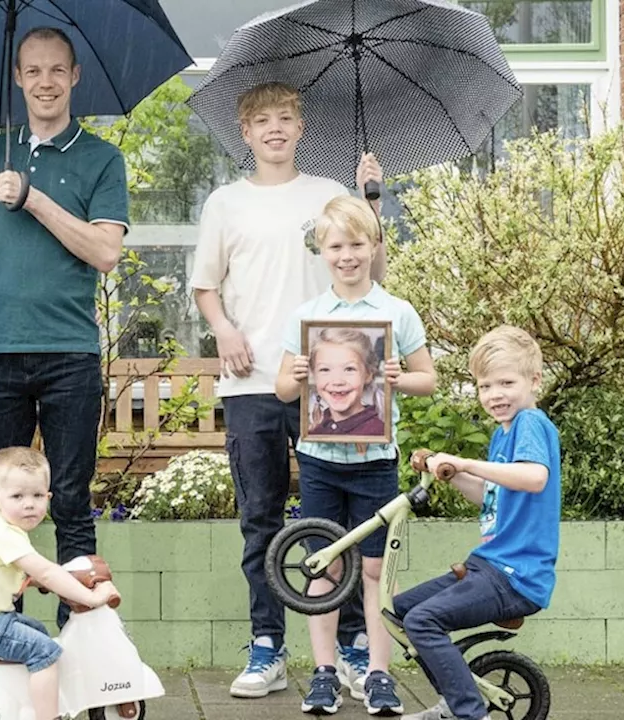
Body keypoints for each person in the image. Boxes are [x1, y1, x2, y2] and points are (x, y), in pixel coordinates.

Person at [190, 80, 385, 701]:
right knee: (260, 519)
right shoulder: (225, 202)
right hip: (251, 380)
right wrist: (222, 331)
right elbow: (205, 286)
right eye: (261, 121)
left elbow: (371, 268)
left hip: (330, 385)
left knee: (341, 522)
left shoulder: (329, 194)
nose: (275, 128)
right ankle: (267, 645)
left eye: (285, 118)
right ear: (245, 134)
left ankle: (351, 648)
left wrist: (371, 203)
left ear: (301, 127)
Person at [0, 26, 128, 630]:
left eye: (56, 70)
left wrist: (33, 198)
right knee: (3, 509)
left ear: (75, 76)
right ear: (17, 78)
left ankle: (78, 631)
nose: (45, 82)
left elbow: (105, 252)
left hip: (70, 354)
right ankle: (1, 630)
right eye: (33, 71)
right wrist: (5, 305)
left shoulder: (102, 158)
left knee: (70, 503)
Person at [275, 194, 437, 715]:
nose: (347, 255)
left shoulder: (397, 312)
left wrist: (399, 379)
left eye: (357, 244)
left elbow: (427, 380)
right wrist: (296, 377)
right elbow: (281, 390)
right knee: (322, 568)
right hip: (320, 461)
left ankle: (378, 674)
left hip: (376, 464)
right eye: (336, 245)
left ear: (375, 246)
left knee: (373, 573)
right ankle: (323, 673)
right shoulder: (307, 316)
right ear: (321, 251)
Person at [396, 326, 560, 720]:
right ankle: (455, 702)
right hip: (490, 564)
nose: (495, 395)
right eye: (485, 386)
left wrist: (467, 462)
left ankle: (469, 713)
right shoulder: (502, 436)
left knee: (424, 619)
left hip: (515, 574)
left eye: (506, 382)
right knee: (402, 610)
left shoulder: (530, 424)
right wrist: (453, 474)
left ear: (534, 381)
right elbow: (490, 496)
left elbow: (535, 477)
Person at [0, 446, 119, 720]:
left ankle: (26, 698)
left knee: (36, 630)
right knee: (46, 651)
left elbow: (29, 572)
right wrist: (90, 597)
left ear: (48, 498)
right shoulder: (4, 534)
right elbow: (47, 572)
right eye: (17, 496)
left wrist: (33, 581)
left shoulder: (1, 528)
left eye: (36, 496)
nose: (29, 504)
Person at [305, 327, 387, 438]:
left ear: (368, 374)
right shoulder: (316, 430)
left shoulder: (377, 432)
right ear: (314, 375)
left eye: (349, 369)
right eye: (325, 369)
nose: (337, 381)